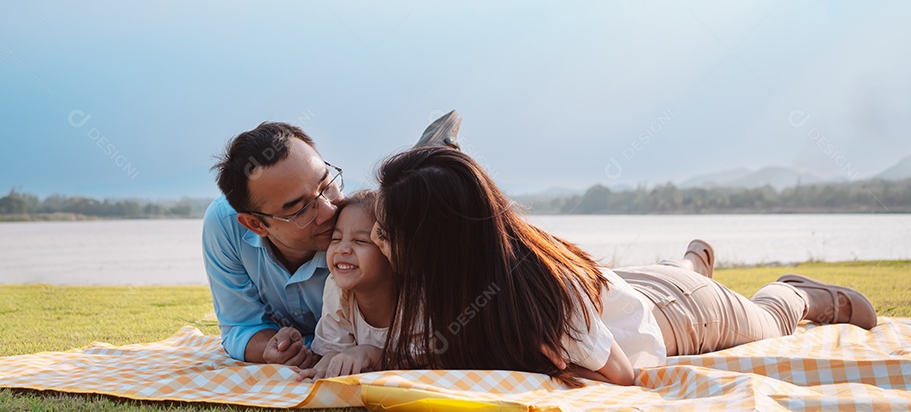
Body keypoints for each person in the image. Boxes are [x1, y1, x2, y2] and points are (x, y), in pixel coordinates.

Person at [371, 146, 878, 386]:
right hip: (623, 291)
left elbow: (621, 375)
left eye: (386, 232)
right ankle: (693, 261)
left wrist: (559, 365)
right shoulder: (456, 279)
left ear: (438, 244)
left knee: (766, 320)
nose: (374, 240)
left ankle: (798, 292)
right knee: (652, 280)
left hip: (679, 313)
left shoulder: (544, 303)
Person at [204, 112, 460, 364]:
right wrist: (273, 348)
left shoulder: (362, 224)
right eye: (300, 209)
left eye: (327, 186)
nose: (329, 211)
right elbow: (240, 324)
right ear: (256, 224)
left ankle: (426, 162)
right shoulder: (225, 226)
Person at [293, 190, 397, 380]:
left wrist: (370, 354)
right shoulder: (338, 290)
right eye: (336, 239)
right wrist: (328, 362)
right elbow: (333, 349)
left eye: (360, 241)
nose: (342, 249)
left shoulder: (417, 300)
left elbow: (429, 363)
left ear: (389, 249)